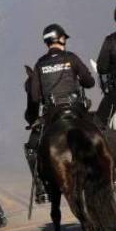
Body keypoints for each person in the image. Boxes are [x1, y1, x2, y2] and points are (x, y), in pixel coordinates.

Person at [24, 23, 96, 204]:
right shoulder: (71, 58)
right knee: (101, 130)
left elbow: (34, 96)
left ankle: (41, 189)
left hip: (52, 113)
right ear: (61, 39)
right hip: (76, 108)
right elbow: (89, 82)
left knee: (32, 148)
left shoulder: (40, 65)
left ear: (47, 42)